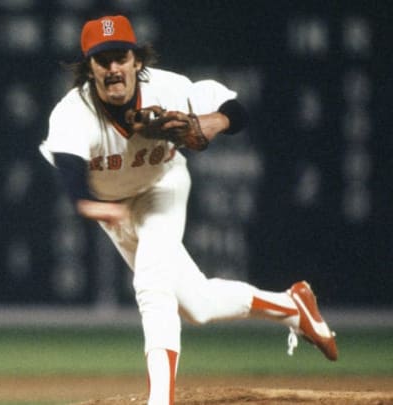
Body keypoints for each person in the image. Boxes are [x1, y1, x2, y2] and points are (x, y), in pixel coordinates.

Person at [39, 15, 338, 405]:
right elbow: (72, 178)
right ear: (89, 68)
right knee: (197, 304)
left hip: (162, 188)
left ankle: (160, 400)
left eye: (120, 57)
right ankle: (291, 305)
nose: (113, 68)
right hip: (113, 207)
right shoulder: (72, 112)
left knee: (151, 285)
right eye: (102, 60)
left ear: (137, 61)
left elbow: (235, 108)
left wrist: (214, 121)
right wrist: (96, 208)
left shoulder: (168, 87)